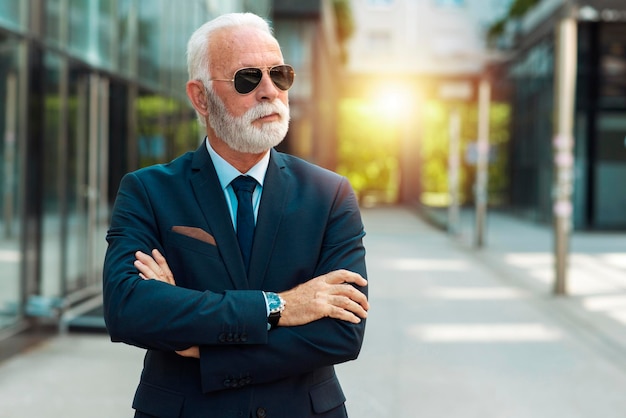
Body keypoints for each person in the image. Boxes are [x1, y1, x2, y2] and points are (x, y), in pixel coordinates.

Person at [102, 12, 369, 418]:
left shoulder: (329, 194)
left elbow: (341, 333)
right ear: (200, 97)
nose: (269, 91)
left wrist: (201, 349)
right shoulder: (148, 191)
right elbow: (128, 310)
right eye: (247, 78)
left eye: (279, 75)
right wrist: (277, 307)